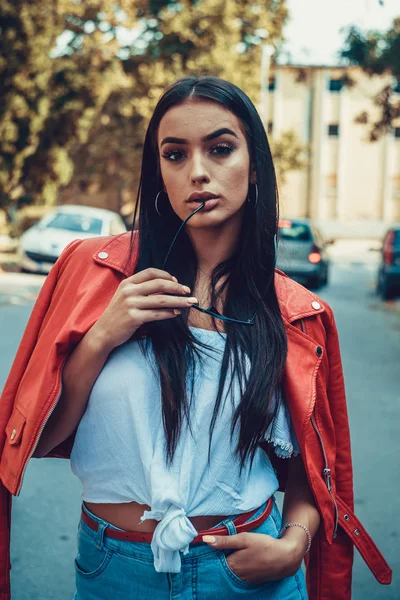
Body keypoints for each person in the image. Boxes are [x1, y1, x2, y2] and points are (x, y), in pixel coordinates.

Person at [0, 76, 392, 600]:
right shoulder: (91, 272)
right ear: (158, 171)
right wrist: (101, 337)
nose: (199, 172)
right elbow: (37, 440)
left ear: (255, 167)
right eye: (175, 154)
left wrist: (294, 544)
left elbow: (314, 469)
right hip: (115, 569)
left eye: (221, 148)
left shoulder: (297, 314)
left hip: (249, 573)